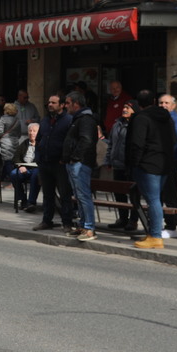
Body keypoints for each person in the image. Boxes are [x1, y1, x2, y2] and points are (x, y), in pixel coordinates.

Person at [125, 90, 175, 249]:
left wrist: (134, 164)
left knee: (153, 200)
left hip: (147, 164)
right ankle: (154, 233)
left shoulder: (141, 118)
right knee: (156, 199)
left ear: (138, 104)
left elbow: (136, 144)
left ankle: (155, 235)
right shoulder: (167, 117)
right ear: (154, 100)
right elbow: (173, 139)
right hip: (164, 162)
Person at [32, 92, 74, 231]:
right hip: (45, 163)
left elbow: (71, 143)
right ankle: (46, 220)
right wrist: (38, 157)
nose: (50, 105)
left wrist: (64, 159)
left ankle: (67, 222)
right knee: (47, 194)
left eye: (53, 103)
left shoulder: (68, 120)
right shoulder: (45, 120)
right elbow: (38, 140)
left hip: (60, 164)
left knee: (65, 194)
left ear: (62, 105)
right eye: (49, 102)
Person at [62, 90, 99, 241]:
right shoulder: (77, 118)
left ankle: (89, 228)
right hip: (74, 163)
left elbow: (87, 140)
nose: (65, 106)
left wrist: (75, 157)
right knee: (78, 196)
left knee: (83, 196)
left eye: (68, 103)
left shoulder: (85, 119)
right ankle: (83, 225)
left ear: (76, 104)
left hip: (81, 163)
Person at [101, 99, 137, 232]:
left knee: (133, 194)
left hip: (130, 166)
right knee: (119, 194)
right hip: (117, 164)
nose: (125, 109)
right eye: (124, 106)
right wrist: (108, 160)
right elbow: (111, 144)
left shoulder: (136, 125)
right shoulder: (117, 124)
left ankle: (133, 220)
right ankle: (123, 218)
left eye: (128, 107)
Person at [158, 93, 177, 238]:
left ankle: (172, 226)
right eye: (161, 103)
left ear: (173, 105)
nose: (164, 105)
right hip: (160, 163)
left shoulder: (174, 119)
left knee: (169, 195)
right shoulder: (161, 119)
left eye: (167, 103)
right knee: (160, 195)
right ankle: (159, 224)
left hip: (170, 162)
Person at [9, 122, 40, 212]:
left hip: (36, 168)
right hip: (24, 167)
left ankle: (31, 202)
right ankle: (23, 200)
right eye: (30, 131)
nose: (31, 133)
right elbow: (15, 158)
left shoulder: (41, 144)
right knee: (14, 174)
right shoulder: (24, 143)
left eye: (34, 131)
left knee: (36, 176)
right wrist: (21, 166)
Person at [0, 102, 21, 184]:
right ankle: (2, 179)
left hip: (5, 142)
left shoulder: (3, 119)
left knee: (7, 161)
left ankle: (13, 180)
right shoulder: (17, 120)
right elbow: (19, 133)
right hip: (15, 142)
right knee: (11, 161)